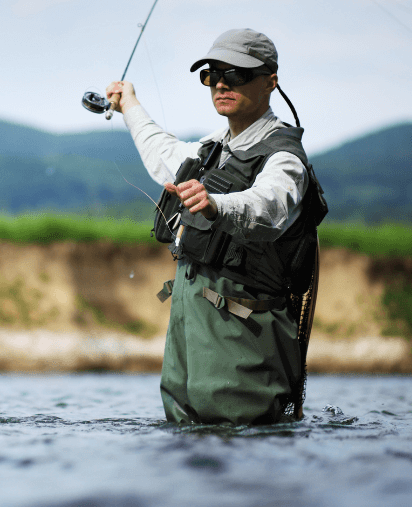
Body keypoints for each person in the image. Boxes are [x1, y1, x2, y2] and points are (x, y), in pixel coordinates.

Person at [105, 28, 319, 425]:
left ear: (271, 81)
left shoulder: (285, 158)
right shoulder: (213, 148)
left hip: (244, 338)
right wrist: (130, 105)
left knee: (241, 447)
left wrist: (215, 204)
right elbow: (164, 154)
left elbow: (269, 206)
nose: (221, 82)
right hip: (190, 332)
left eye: (237, 74)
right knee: (184, 444)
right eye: (212, 74)